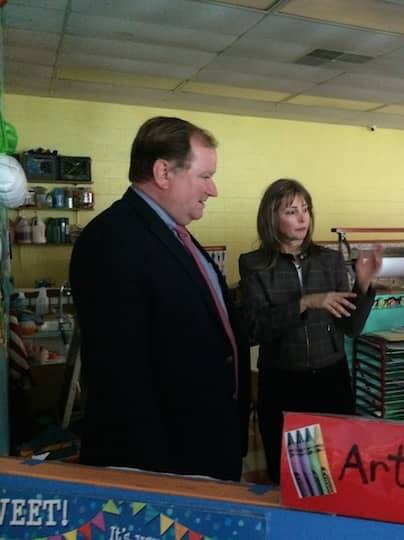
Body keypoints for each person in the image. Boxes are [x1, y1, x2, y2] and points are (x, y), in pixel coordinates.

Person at [70, 116, 250, 481]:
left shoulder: (172, 233)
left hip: (205, 446)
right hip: (165, 463)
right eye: (204, 176)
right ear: (163, 173)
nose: (212, 189)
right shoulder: (113, 240)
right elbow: (121, 378)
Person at [238, 178, 382, 483]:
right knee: (294, 479)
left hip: (331, 379)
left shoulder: (329, 260)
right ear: (271, 218)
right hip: (283, 382)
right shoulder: (255, 264)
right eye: (291, 211)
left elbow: (350, 327)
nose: (303, 218)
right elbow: (253, 330)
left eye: (306, 209)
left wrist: (364, 285)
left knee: (337, 471)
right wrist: (304, 302)